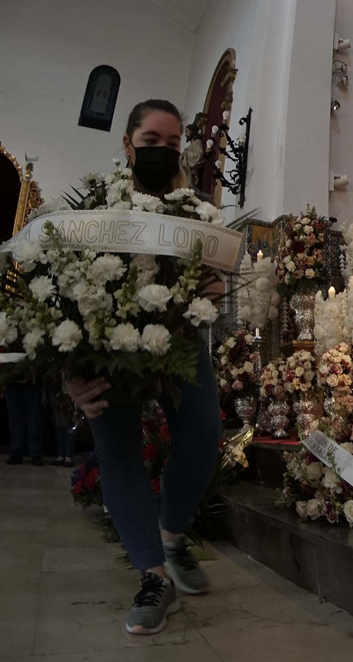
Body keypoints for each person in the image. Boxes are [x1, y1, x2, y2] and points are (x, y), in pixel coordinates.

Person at [64, 99, 221, 636]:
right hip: (106, 346)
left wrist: (207, 283)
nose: (162, 151)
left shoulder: (194, 210)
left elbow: (215, 285)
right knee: (119, 453)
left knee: (203, 437)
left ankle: (172, 536)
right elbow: (64, 290)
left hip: (176, 342)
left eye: (173, 144)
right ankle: (155, 579)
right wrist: (70, 374)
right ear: (128, 143)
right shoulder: (95, 206)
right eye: (151, 141)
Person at [4, 369, 46, 467]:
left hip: (32, 381)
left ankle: (35, 453)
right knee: (15, 419)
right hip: (12, 382)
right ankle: (17, 452)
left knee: (34, 418)